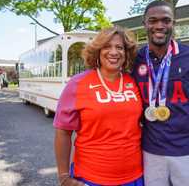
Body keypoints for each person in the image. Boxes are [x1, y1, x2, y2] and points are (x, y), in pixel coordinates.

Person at [53, 26, 144, 186]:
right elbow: (63, 132)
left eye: (119, 47)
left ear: (126, 52)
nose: (114, 52)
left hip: (134, 176)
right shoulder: (78, 83)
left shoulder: (133, 81)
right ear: (97, 51)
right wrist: (63, 176)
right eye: (107, 46)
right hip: (91, 178)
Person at [132, 0, 189, 186]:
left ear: (174, 23)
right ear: (145, 24)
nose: (159, 26)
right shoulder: (135, 60)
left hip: (185, 151)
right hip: (151, 151)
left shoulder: (187, 56)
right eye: (153, 20)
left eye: (166, 20)